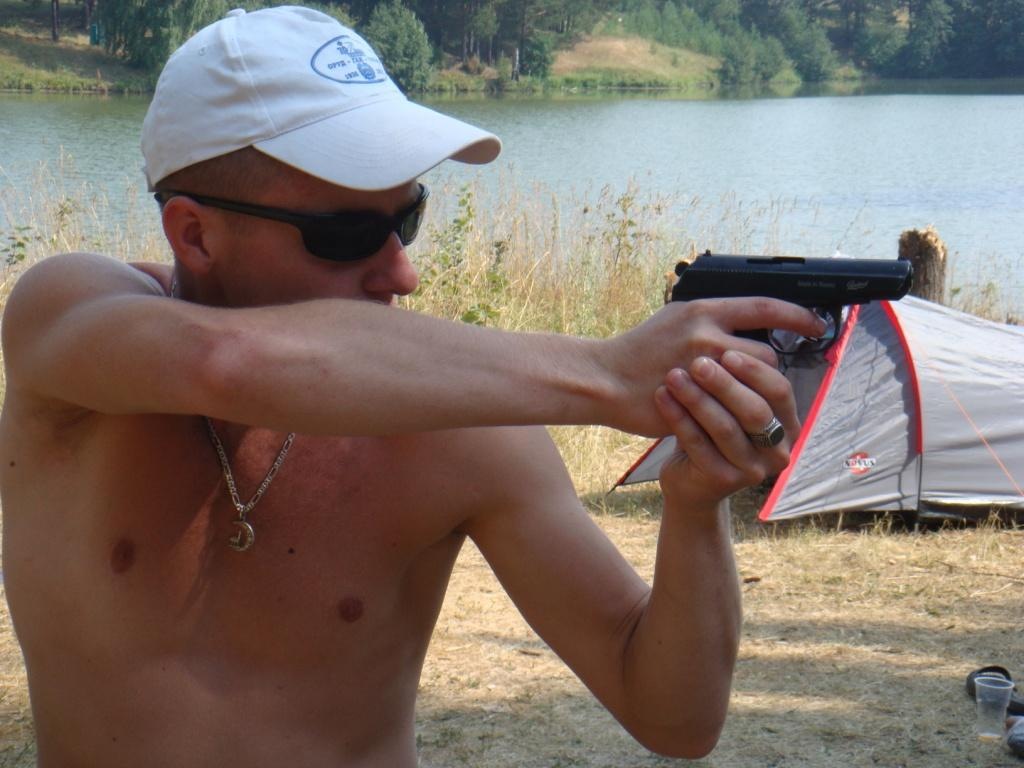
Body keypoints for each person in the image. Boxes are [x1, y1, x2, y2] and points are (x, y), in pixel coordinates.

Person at [0, 7, 825, 767]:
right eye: (347, 233)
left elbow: (676, 720)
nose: (403, 272)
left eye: (407, 219)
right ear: (195, 234)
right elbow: (224, 364)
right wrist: (607, 374)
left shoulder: (459, 421)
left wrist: (695, 505)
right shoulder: (69, 321)